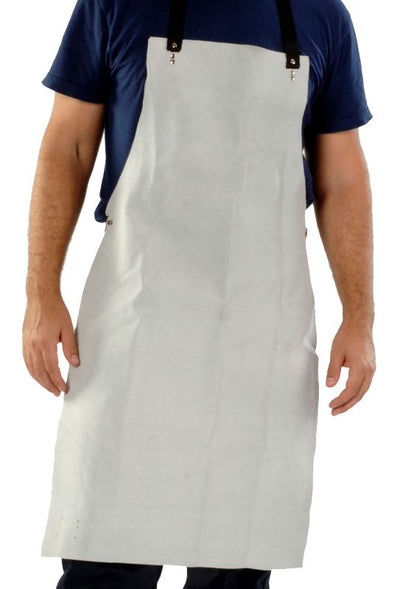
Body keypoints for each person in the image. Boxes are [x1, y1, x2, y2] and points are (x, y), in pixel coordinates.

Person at [22, 0, 376, 587]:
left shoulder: (322, 16)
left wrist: (359, 318)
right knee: (105, 558)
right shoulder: (115, 3)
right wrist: (41, 294)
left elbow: (342, 174)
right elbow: (67, 144)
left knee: (235, 568)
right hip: (135, 328)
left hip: (259, 336)